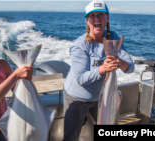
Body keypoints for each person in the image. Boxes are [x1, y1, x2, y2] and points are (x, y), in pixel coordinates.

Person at [63, 0, 135, 140]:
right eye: (92, 15)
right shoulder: (80, 45)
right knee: (71, 137)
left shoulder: (113, 38)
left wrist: (119, 62)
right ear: (87, 21)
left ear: (107, 18)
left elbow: (131, 68)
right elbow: (81, 78)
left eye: (101, 15)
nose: (97, 18)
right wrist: (103, 68)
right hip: (77, 97)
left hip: (102, 97)